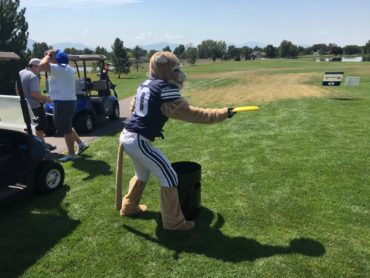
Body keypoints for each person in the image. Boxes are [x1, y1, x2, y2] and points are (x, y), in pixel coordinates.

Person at [118, 51, 235, 231]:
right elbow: (194, 114)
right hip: (138, 140)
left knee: (142, 175)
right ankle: (174, 223)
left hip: (127, 136)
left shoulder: (146, 84)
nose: (180, 74)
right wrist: (223, 113)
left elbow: (134, 106)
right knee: (170, 177)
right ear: (165, 69)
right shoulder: (166, 90)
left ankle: (129, 206)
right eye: (176, 69)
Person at [39, 49, 89, 162]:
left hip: (63, 103)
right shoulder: (67, 68)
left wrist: (49, 55)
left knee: (65, 129)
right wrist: (50, 55)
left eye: (52, 58)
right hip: (66, 102)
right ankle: (81, 144)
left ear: (55, 60)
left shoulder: (58, 69)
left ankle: (71, 154)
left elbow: (42, 65)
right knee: (67, 126)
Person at [18, 58, 56, 150]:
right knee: (40, 128)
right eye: (40, 67)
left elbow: (18, 90)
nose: (41, 70)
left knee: (28, 127)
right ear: (34, 66)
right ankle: (41, 147)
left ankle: (41, 144)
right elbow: (35, 94)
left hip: (24, 106)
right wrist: (47, 98)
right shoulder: (33, 76)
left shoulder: (20, 73)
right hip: (35, 107)